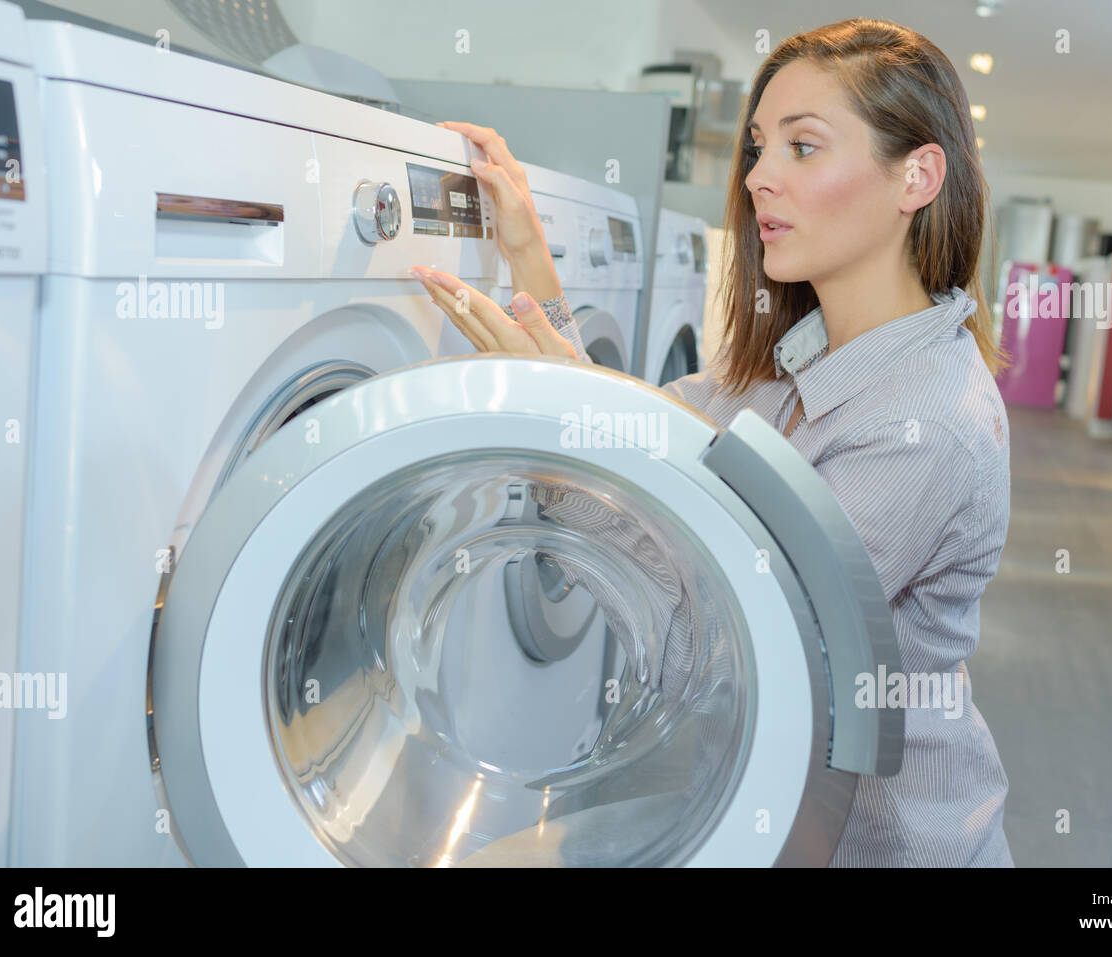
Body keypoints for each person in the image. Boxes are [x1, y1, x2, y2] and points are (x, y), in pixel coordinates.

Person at [411, 17, 1014, 867]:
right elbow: (637, 425)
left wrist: (546, 428)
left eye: (803, 147)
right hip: (775, 811)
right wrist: (529, 256)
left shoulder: (925, 423)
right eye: (760, 147)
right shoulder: (803, 359)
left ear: (916, 176)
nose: (760, 176)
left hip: (879, 844)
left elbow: (725, 647)